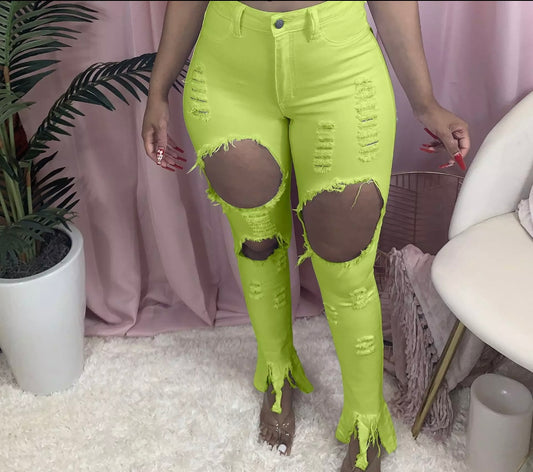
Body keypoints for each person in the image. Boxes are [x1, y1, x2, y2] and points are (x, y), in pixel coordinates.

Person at [141, 1, 470, 470]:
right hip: (228, 70)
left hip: (340, 70)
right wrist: (157, 90)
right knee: (257, 242)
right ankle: (277, 373)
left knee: (347, 262)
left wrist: (425, 102)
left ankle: (366, 419)